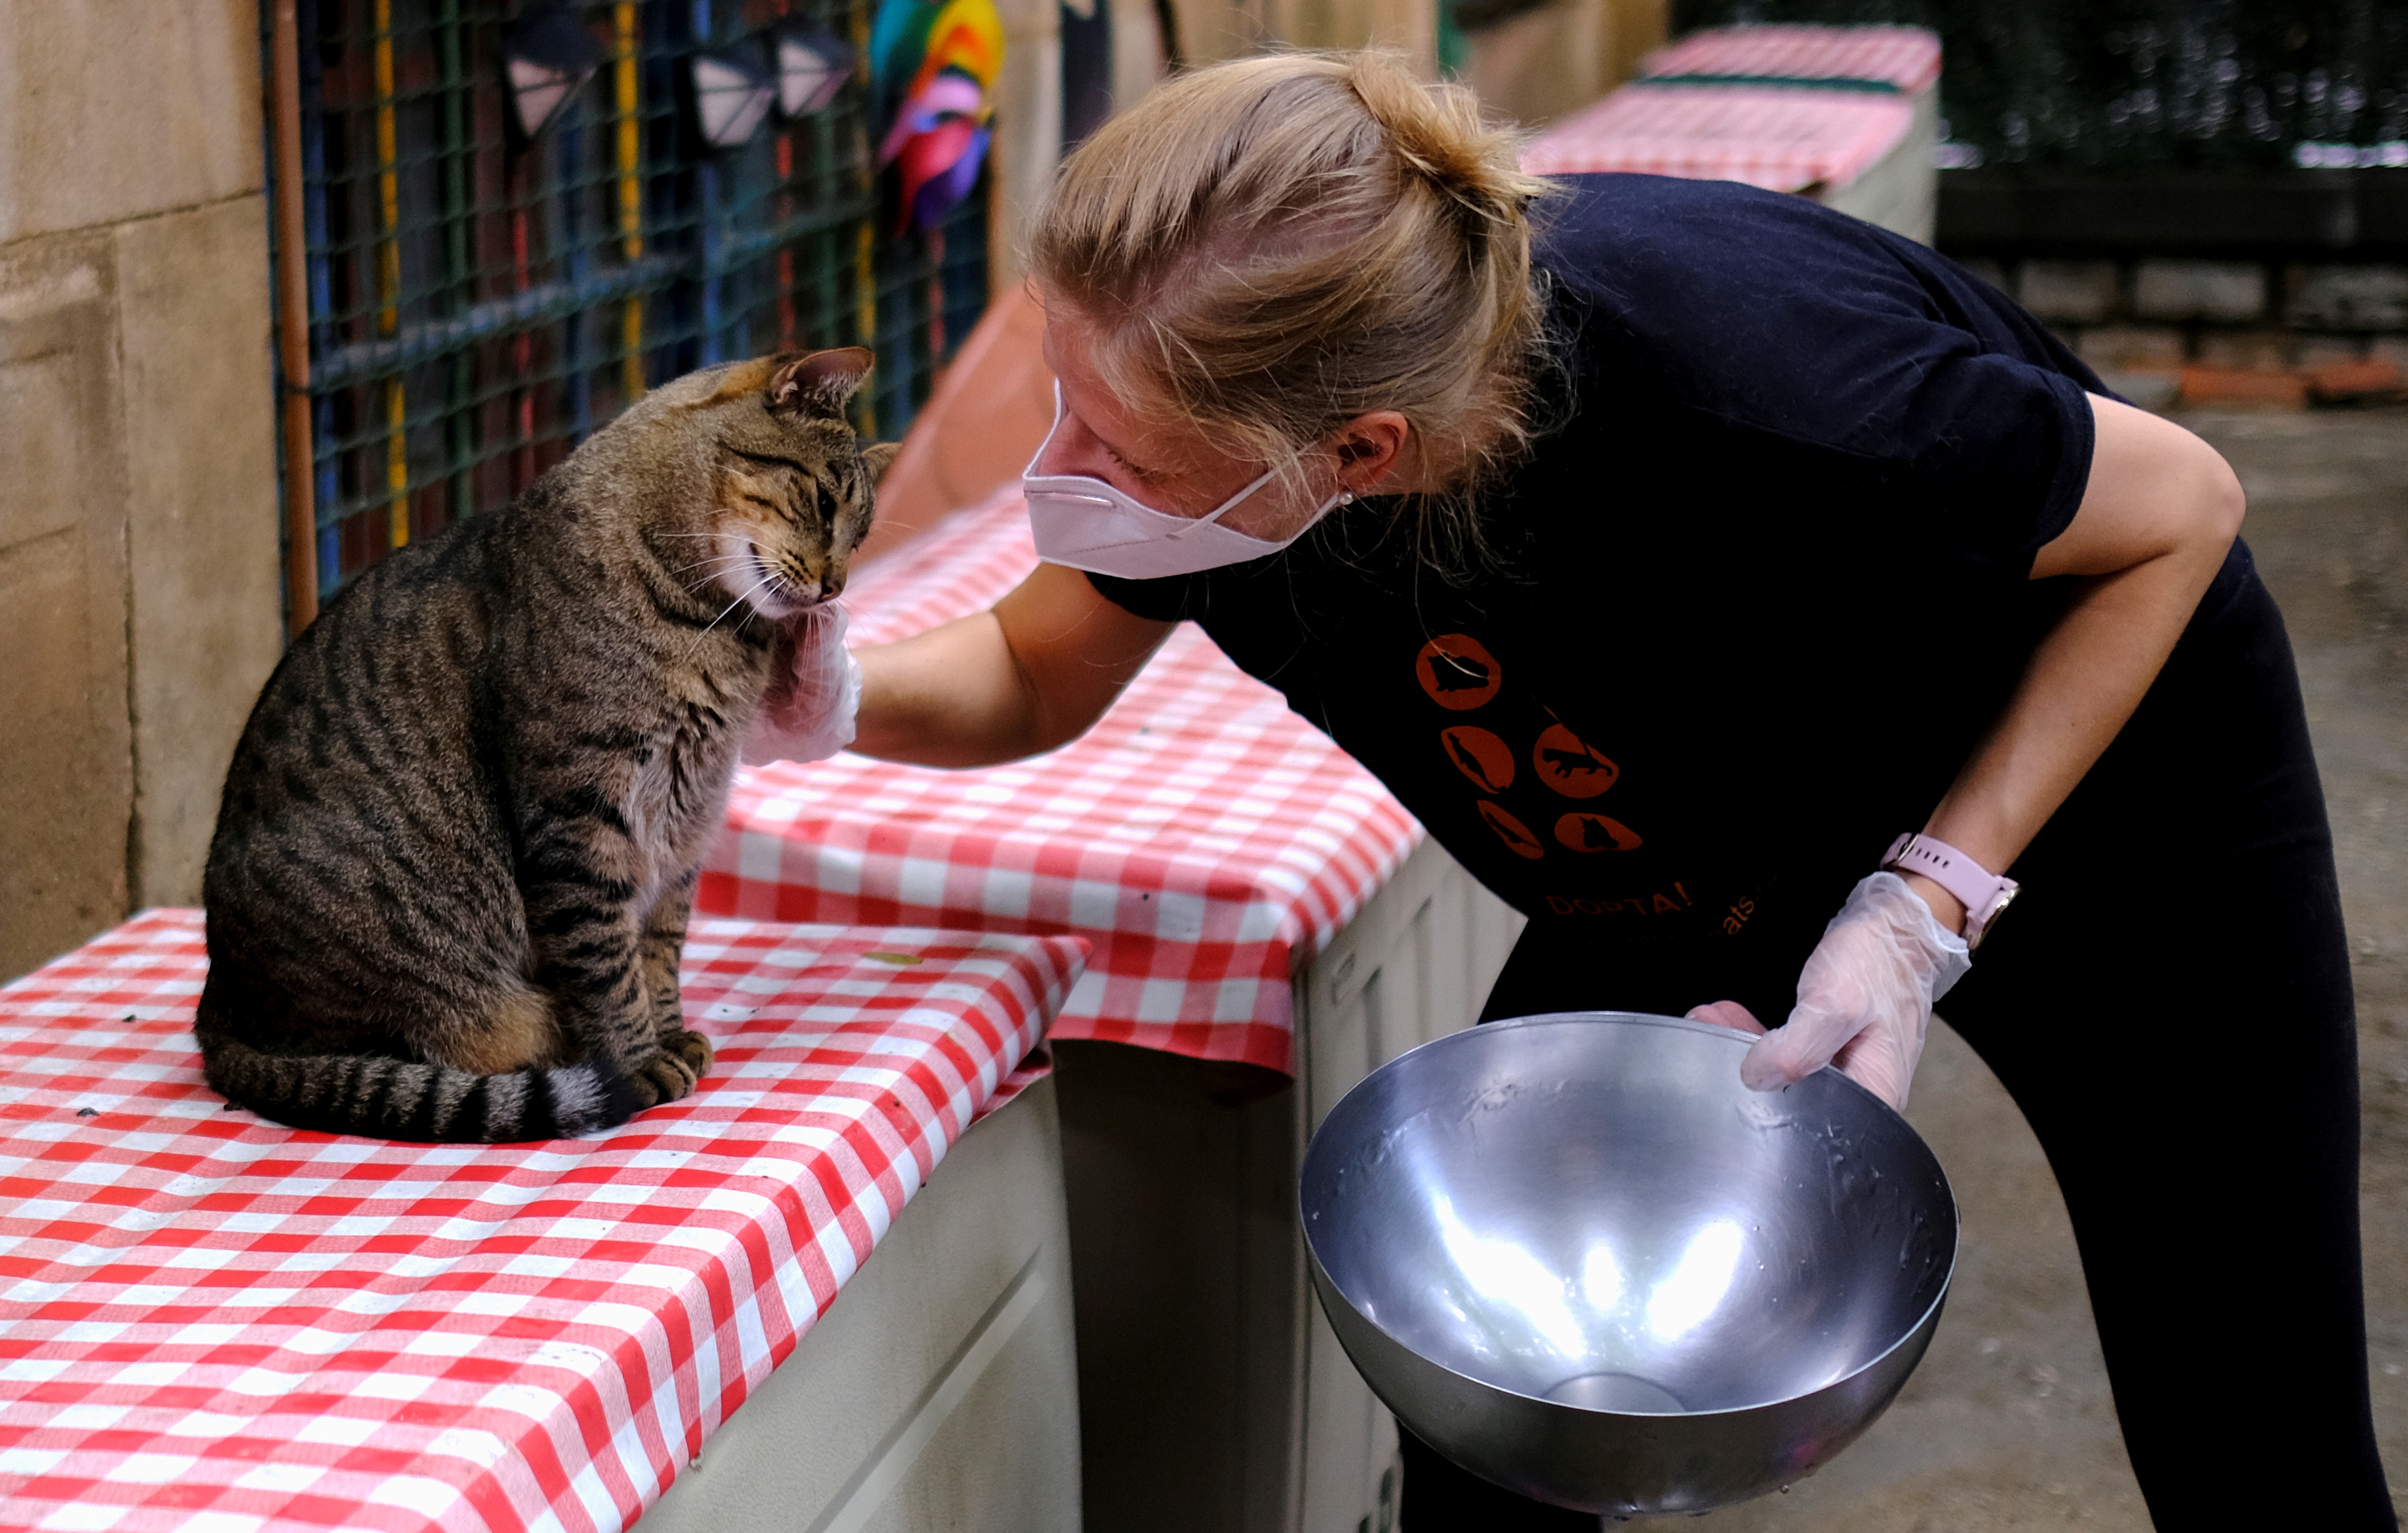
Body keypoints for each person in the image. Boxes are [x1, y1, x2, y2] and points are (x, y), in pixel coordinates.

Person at [754, 50, 2392, 1528]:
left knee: (2251, 1430)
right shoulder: (1223, 429)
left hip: (2098, 793)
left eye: (1121, 451)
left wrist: (1921, 905)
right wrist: (813, 687)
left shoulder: (1751, 381)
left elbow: (2184, 506)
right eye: (1065, 400)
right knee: (1495, 1412)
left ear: (1362, 452)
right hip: (1691, 850)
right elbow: (1032, 668)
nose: (1060, 474)